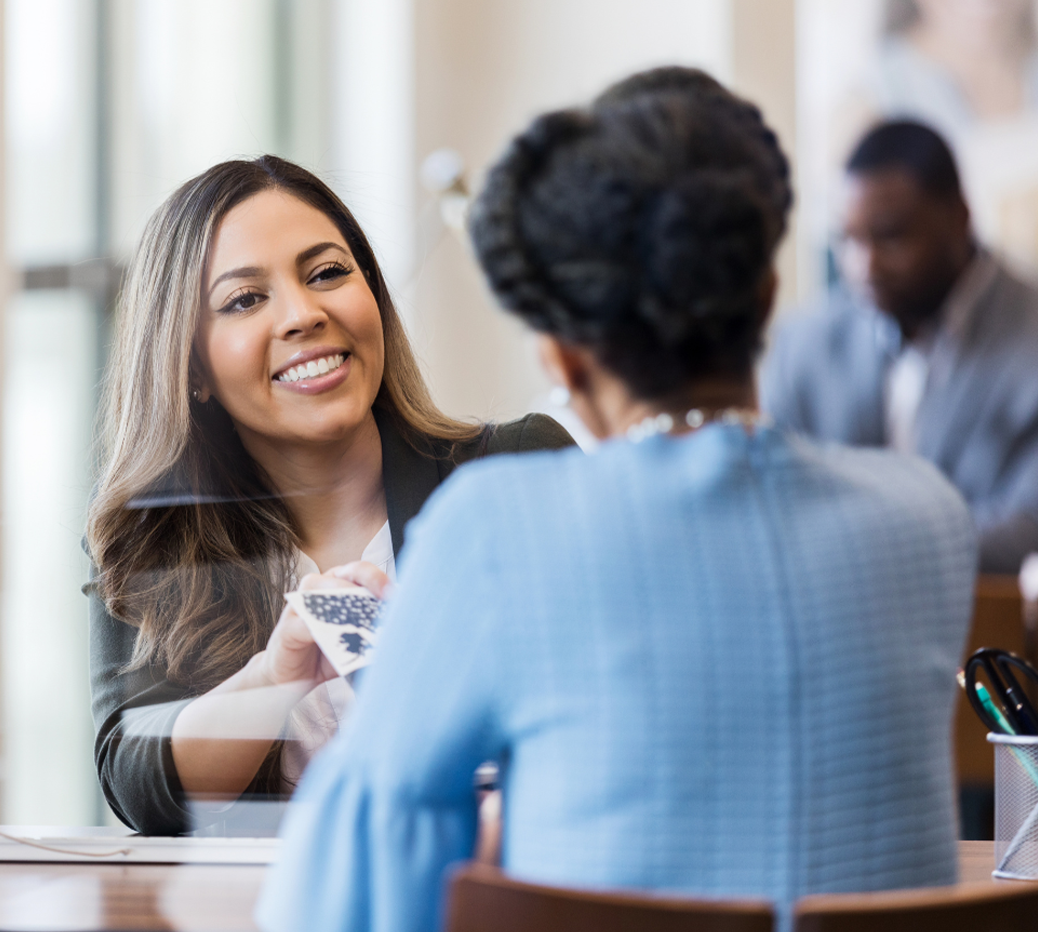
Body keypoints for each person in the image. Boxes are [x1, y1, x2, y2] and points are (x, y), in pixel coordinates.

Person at [257, 70, 976, 932]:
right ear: (766, 297)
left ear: (559, 358)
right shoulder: (929, 518)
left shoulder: (498, 526)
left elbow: (359, 888)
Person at [84, 156, 572, 836]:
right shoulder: (155, 538)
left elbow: (617, 716)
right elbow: (137, 785)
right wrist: (276, 674)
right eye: (245, 299)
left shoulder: (517, 470)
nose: (304, 314)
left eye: (327, 274)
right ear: (193, 366)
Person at [762, 120, 1038, 572]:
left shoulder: (1029, 334)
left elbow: (1028, 526)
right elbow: (774, 502)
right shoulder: (803, 347)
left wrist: (862, 547)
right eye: (848, 240)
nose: (863, 266)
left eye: (890, 236)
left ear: (959, 217)